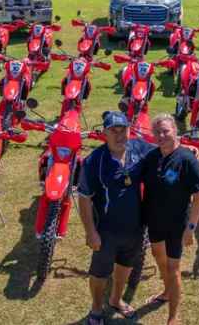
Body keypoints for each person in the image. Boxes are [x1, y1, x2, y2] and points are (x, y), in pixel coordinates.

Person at [77, 111, 154, 325]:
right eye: (114, 131)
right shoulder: (94, 161)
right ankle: (95, 308)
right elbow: (84, 199)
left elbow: (163, 153)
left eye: (124, 130)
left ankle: (116, 299)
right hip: (106, 231)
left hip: (136, 229)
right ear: (105, 133)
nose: (120, 136)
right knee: (100, 273)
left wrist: (183, 151)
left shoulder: (138, 148)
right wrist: (91, 232)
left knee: (125, 266)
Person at [140, 113, 199, 325]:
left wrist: (191, 228)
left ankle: (173, 316)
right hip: (154, 220)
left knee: (173, 268)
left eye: (165, 131)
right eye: (157, 132)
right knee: (158, 256)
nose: (161, 135)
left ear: (175, 132)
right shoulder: (152, 156)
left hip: (177, 224)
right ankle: (167, 290)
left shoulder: (187, 160)